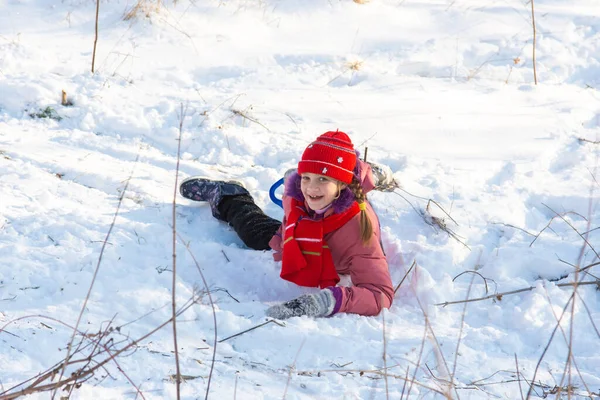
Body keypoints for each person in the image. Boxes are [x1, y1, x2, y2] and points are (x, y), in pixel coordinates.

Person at [180, 131, 395, 319]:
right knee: (253, 233)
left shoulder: (358, 232)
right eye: (307, 177)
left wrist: (329, 301)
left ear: (341, 184)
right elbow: (297, 201)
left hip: (337, 242)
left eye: (322, 179)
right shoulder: (297, 194)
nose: (310, 188)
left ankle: (371, 173)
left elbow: (380, 294)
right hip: (309, 233)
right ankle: (229, 195)